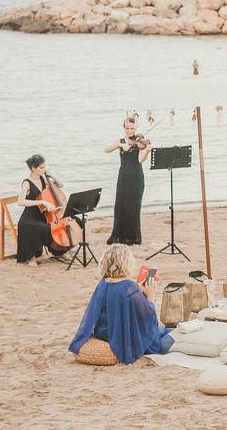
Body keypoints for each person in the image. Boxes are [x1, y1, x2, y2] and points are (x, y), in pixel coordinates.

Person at [69, 244, 174, 364]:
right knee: (168, 332)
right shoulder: (130, 287)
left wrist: (139, 293)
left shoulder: (103, 284)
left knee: (163, 330)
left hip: (104, 334)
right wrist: (150, 295)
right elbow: (148, 318)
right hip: (123, 338)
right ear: (126, 263)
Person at [105, 117, 152, 245]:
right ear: (124, 128)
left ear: (136, 128)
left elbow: (140, 160)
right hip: (123, 177)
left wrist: (147, 151)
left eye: (132, 128)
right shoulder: (121, 141)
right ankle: (117, 235)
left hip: (136, 178)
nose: (130, 131)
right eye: (127, 128)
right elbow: (106, 149)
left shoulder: (140, 142)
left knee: (134, 207)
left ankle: (132, 237)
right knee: (120, 205)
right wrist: (120, 145)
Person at [16, 154, 63, 267]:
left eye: (45, 166)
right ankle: (30, 257)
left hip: (42, 215)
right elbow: (20, 202)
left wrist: (50, 175)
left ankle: (59, 251)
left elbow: (61, 185)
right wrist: (41, 202)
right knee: (42, 228)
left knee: (53, 227)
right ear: (33, 168)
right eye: (41, 167)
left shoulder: (43, 179)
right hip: (28, 218)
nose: (44, 169)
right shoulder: (27, 183)